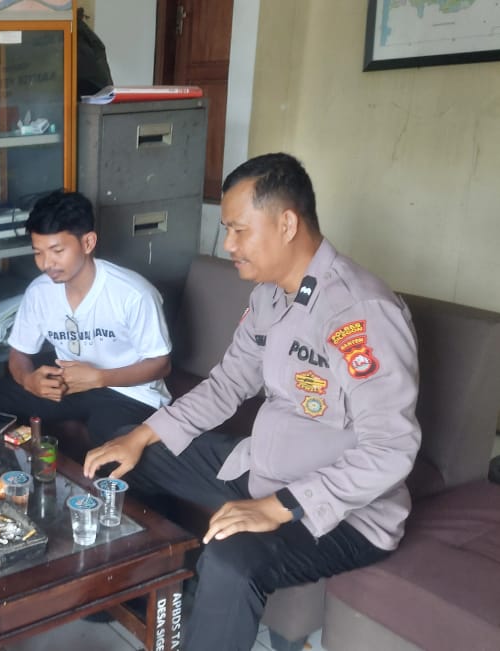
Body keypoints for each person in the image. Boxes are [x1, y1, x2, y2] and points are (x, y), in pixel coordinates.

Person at [83, 153, 421, 651]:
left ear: (287, 224)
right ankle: (144, 594)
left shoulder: (359, 311)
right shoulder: (269, 297)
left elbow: (391, 448)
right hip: (261, 467)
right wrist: (141, 435)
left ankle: (208, 609)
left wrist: (281, 506)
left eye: (239, 230)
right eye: (227, 230)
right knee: (122, 459)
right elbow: (226, 385)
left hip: (345, 512)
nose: (228, 245)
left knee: (231, 560)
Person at [0, 189, 172, 443]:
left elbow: (161, 364)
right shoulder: (39, 292)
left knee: (107, 437)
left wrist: (100, 378)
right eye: (38, 252)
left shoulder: (134, 294)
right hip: (69, 387)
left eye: (57, 251)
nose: (46, 264)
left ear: (88, 243)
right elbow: (19, 353)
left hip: (129, 393)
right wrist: (28, 380)